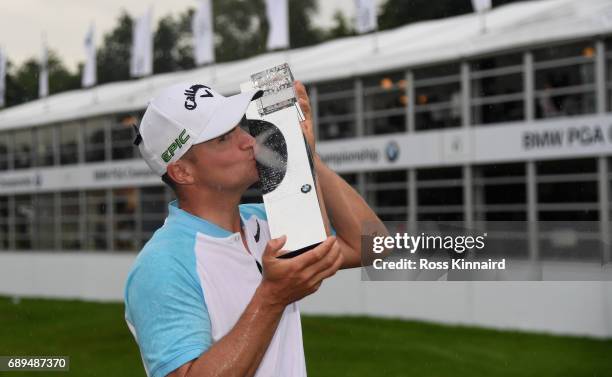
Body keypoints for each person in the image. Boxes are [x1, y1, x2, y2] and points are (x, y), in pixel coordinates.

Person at [124, 80, 386, 377]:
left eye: (239, 127)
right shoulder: (162, 264)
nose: (249, 141)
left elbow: (372, 244)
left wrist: (307, 158)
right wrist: (272, 297)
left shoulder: (264, 219)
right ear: (182, 171)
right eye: (223, 138)